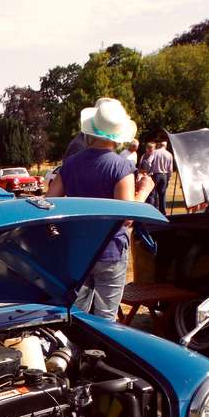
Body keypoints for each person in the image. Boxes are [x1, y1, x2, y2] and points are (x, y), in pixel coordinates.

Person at [47, 97, 154, 321]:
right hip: (110, 250)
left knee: (77, 315)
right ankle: (100, 355)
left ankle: (73, 354)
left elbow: (50, 201)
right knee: (106, 318)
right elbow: (126, 218)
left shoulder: (71, 164)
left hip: (78, 250)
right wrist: (144, 192)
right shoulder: (121, 167)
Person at [150, 140, 174, 215]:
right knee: (162, 194)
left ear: (159, 145)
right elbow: (170, 169)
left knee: (153, 194)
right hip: (164, 176)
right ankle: (162, 212)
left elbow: (149, 161)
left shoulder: (155, 152)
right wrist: (169, 178)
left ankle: (152, 211)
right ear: (166, 146)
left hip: (155, 175)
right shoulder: (169, 154)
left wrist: (149, 170)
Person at [138, 142, 157, 206]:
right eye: (149, 148)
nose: (150, 149)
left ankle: (151, 206)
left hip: (151, 176)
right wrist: (140, 172)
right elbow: (140, 165)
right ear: (146, 148)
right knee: (144, 192)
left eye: (152, 148)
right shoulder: (144, 155)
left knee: (151, 193)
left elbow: (153, 167)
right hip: (143, 175)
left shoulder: (154, 156)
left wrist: (147, 172)